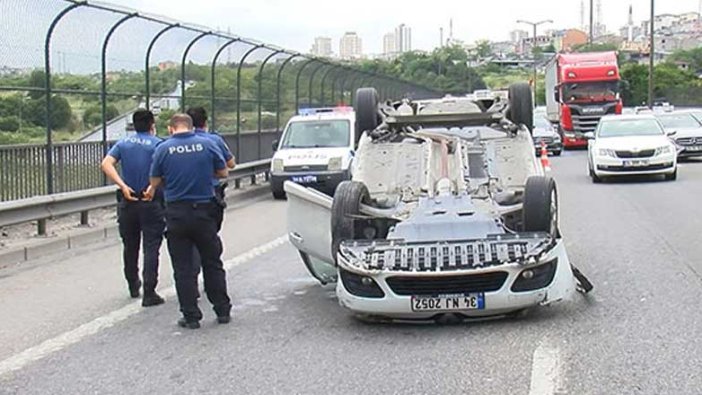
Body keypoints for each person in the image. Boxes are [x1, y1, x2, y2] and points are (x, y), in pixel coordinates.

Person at [145, 113, 231, 329]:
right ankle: (222, 309)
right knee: (212, 262)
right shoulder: (207, 144)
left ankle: (191, 316)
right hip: (204, 210)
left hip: (176, 213)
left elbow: (154, 180)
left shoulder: (163, 148)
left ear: (171, 128)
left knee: (183, 266)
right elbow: (223, 172)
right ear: (192, 127)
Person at [101, 109, 166, 307]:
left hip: (128, 201)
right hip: (151, 201)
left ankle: (132, 284)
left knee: (130, 246)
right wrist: (152, 186)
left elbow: (106, 163)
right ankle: (149, 292)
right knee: (151, 246)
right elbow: (166, 170)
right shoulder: (159, 144)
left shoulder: (124, 143)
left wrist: (122, 185)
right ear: (152, 125)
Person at [186, 106, 236, 230]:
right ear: (205, 122)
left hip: (184, 194)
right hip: (210, 193)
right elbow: (231, 164)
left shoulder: (176, 142)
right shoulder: (214, 140)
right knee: (210, 233)